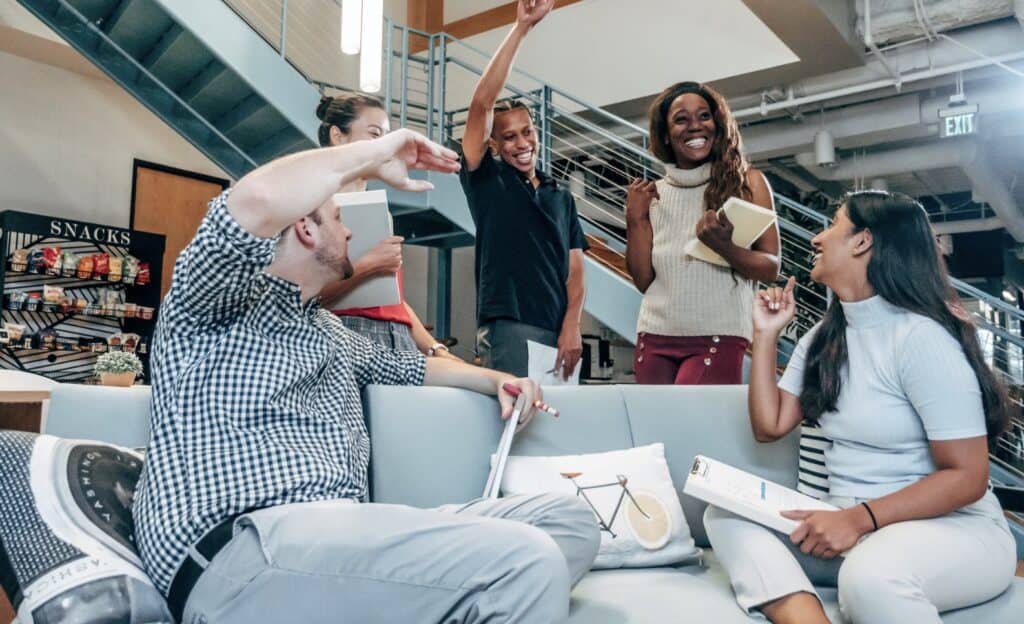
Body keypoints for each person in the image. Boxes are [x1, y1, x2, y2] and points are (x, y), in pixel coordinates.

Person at [132, 128, 600, 623]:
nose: (351, 231)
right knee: (527, 560)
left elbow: (416, 367)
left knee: (567, 523)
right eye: (339, 218)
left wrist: (496, 379)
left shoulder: (328, 330)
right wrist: (375, 153)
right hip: (248, 548)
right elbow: (258, 197)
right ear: (307, 230)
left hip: (340, 541)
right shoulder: (213, 308)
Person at [704, 191, 1016, 623]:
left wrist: (859, 518)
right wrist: (765, 335)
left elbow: (968, 477)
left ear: (862, 242)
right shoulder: (823, 338)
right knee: (723, 512)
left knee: (870, 578)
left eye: (832, 223)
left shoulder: (920, 339)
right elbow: (770, 425)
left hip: (950, 530)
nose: (816, 238)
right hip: (851, 527)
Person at [460, 0, 588, 380]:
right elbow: (481, 104)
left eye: (527, 131)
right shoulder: (487, 179)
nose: (521, 142)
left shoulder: (559, 195)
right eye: (509, 136)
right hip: (510, 327)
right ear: (495, 145)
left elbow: (576, 271)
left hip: (560, 331)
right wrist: (522, 29)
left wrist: (572, 325)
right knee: (516, 430)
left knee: (559, 435)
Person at [626, 81, 780, 385]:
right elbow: (644, 281)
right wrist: (636, 220)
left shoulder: (749, 184)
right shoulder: (651, 194)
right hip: (654, 334)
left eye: (704, 116)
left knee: (695, 430)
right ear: (666, 135)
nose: (695, 127)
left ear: (718, 124)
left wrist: (726, 248)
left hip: (717, 334)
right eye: (681, 119)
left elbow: (771, 267)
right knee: (654, 432)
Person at [315, 93, 459, 360]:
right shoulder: (314, 207)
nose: (385, 147)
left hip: (398, 337)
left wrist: (435, 348)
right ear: (338, 136)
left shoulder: (378, 210)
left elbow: (393, 300)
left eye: (387, 138)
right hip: (348, 335)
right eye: (374, 134)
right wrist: (369, 264)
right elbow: (303, 296)